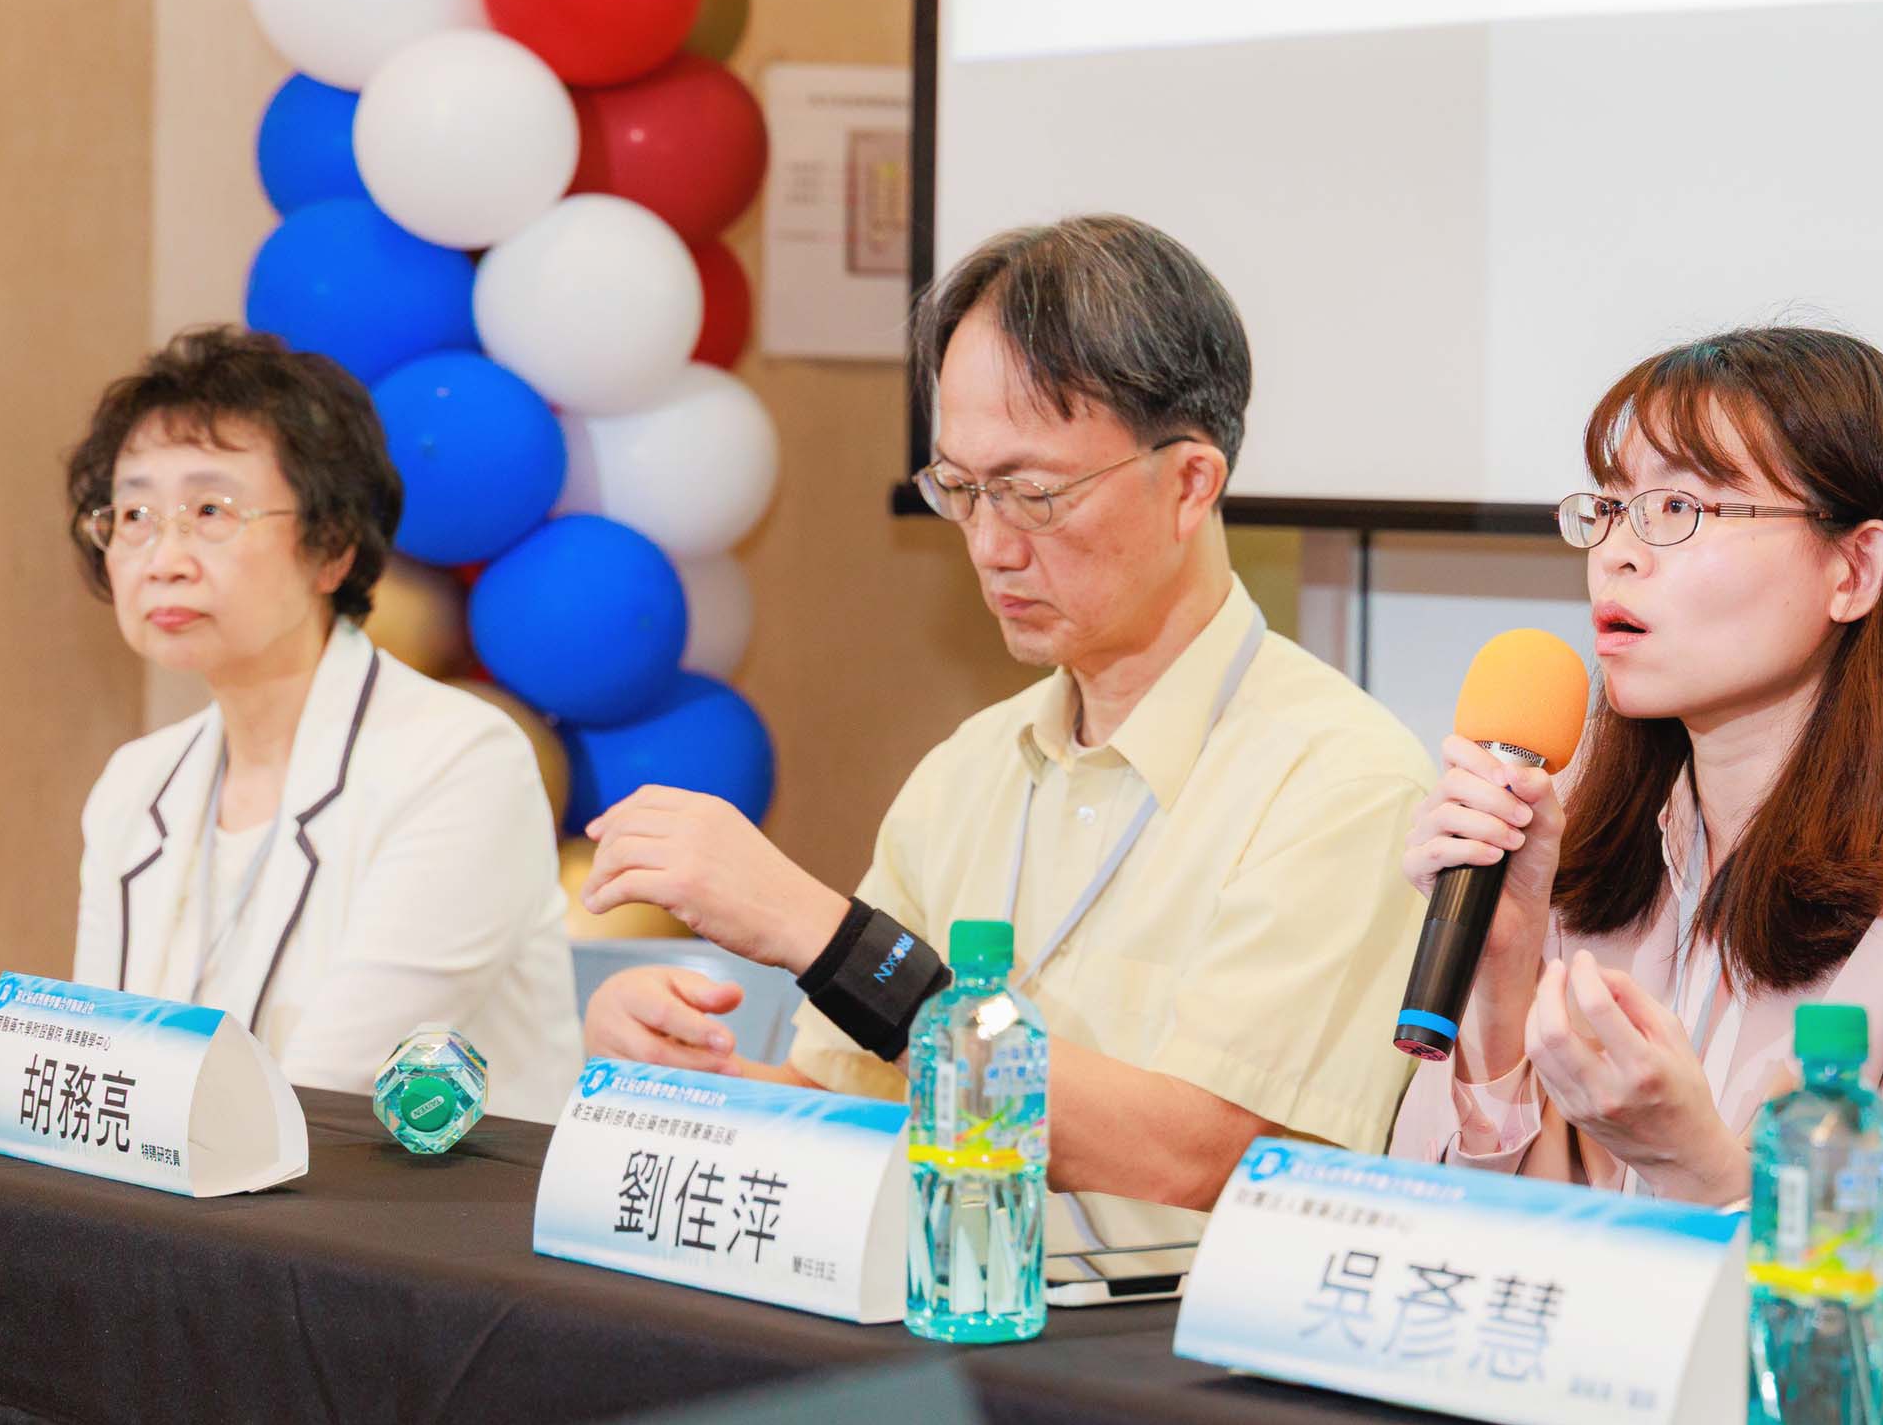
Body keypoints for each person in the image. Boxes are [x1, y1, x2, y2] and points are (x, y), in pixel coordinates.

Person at [577, 215, 1433, 1260]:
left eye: (1033, 493)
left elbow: (1198, 1154)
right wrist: (687, 1080)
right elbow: (845, 1108)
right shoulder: (969, 770)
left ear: (1190, 485)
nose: (990, 545)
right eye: (961, 489)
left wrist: (826, 936)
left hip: (1169, 1347)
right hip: (943, 1307)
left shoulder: (1344, 781)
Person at [1389, 328, 1883, 1354]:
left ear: (1854, 567)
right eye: (1610, 506)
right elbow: (1437, 1265)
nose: (1618, 552)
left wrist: (1704, 1170)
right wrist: (1499, 986)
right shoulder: (1575, 848)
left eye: (1679, 508)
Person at [68, 328, 580, 1121]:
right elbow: (96, 1068)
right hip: (186, 1189)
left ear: (332, 546)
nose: (163, 558)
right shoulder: (135, 784)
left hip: (387, 1194)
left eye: (210, 511)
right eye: (134, 513)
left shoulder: (459, 762)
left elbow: (325, 1096)